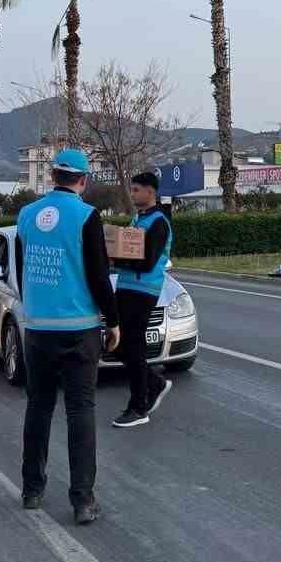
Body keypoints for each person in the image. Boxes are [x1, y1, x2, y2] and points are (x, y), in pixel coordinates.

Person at [15, 147, 119, 524]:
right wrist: (114, 321)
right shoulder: (87, 216)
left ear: (52, 176)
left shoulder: (26, 215)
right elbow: (98, 275)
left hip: (38, 328)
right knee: (80, 410)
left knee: (38, 407)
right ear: (83, 180)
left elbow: (23, 268)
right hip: (79, 328)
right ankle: (82, 501)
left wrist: (35, 306)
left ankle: (32, 490)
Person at [107, 171, 173, 428]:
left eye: (136, 190)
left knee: (133, 347)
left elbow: (147, 262)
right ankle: (154, 383)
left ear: (150, 192)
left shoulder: (159, 222)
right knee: (116, 344)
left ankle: (138, 407)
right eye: (131, 189)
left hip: (143, 291)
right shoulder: (138, 219)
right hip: (125, 287)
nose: (132, 194)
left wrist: (116, 259)